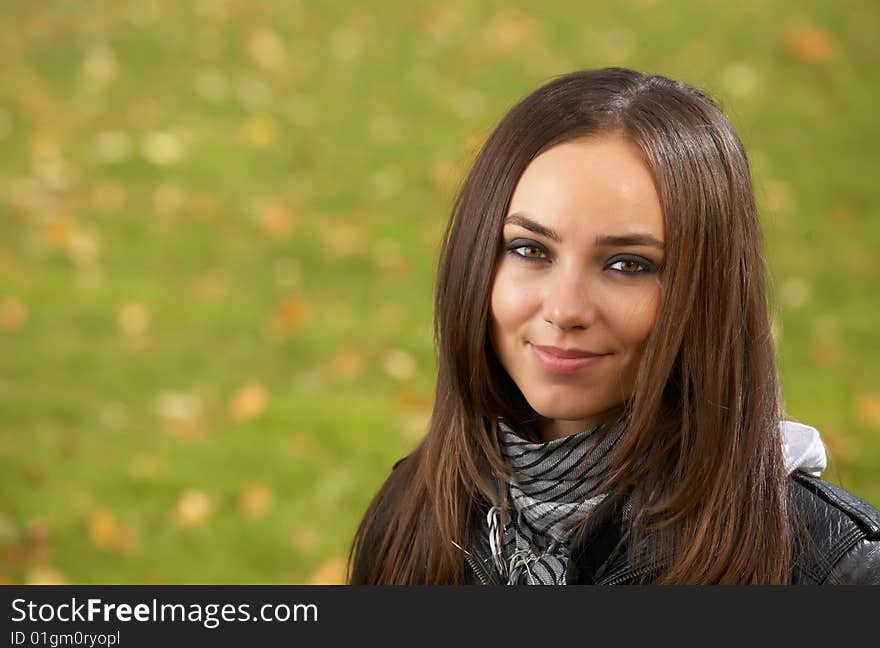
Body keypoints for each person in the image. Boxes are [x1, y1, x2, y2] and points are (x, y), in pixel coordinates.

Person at [348, 67, 880, 584]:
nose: (565, 309)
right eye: (529, 249)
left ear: (707, 292)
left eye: (628, 264)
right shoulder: (411, 515)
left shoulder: (832, 569)